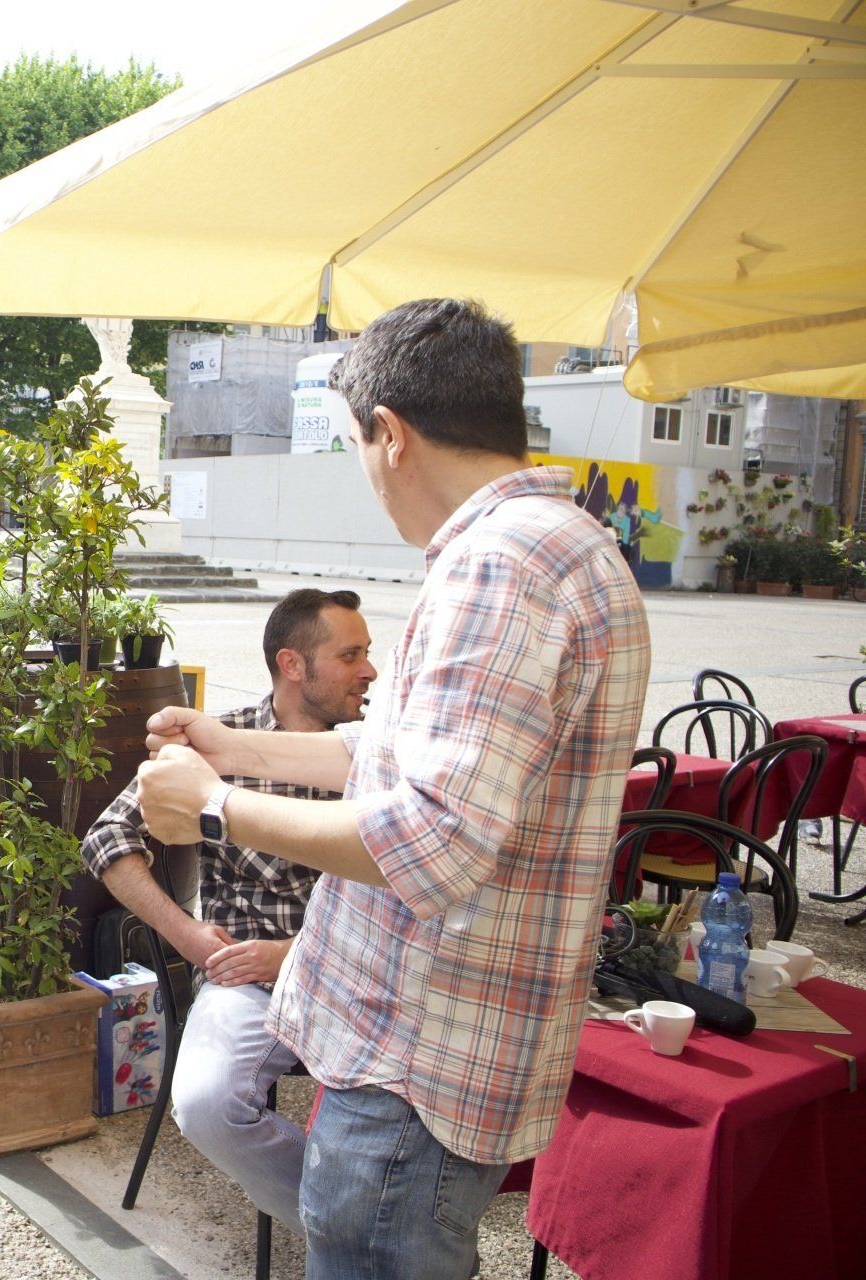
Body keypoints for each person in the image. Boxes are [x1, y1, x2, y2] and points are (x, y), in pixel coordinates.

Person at [137, 297, 650, 1279]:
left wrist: (213, 804)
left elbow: (432, 839)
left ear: (391, 433)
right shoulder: (563, 544)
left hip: (415, 1057)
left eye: (355, 446)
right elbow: (403, 753)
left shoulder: (500, 567)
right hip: (438, 1047)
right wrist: (230, 746)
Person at [82, 588, 374, 1236]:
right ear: (292, 664)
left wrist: (294, 953)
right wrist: (185, 934)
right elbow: (106, 839)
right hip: (245, 978)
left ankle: (380, 1225)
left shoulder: (378, 753)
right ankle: (349, 1232)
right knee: (206, 1105)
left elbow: (416, 880)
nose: (370, 671)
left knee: (416, 1108)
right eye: (351, 655)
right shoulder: (220, 743)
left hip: (364, 977)